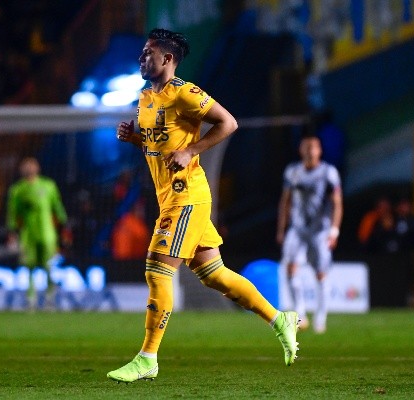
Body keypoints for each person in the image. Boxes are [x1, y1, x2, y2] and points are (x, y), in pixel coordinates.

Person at [107, 28, 299, 384]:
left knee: (156, 270)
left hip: (188, 195)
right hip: (169, 196)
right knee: (215, 276)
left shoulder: (185, 92)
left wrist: (192, 150)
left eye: (148, 52)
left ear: (167, 59)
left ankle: (147, 357)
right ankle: (279, 319)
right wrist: (135, 138)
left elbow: (229, 122)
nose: (141, 57)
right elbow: (160, 148)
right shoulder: (146, 98)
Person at [276, 133, 343, 334]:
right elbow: (285, 202)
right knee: (290, 267)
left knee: (320, 273)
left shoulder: (328, 173)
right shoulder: (293, 172)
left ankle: (320, 318)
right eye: (306, 147)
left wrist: (334, 231)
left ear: (319, 150)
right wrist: (281, 228)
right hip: (297, 228)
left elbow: (337, 204)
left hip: (320, 230)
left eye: (313, 147)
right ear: (301, 150)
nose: (309, 150)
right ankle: (300, 314)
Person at [6, 157, 68, 309]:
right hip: (28, 235)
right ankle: (31, 298)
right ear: (21, 170)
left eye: (31, 165)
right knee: (29, 267)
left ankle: (50, 298)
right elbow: (13, 213)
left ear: (37, 168)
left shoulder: (48, 186)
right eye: (26, 166)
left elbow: (57, 206)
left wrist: (65, 226)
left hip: (47, 233)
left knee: (49, 267)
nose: (29, 168)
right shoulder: (17, 190)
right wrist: (12, 232)